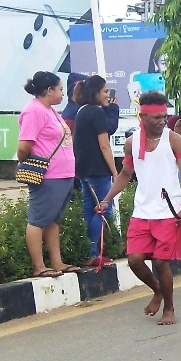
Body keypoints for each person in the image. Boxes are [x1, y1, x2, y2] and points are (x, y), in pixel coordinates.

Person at [98, 91, 181, 325]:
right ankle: (158, 290)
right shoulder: (132, 143)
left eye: (164, 116)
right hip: (142, 211)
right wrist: (107, 198)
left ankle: (169, 308)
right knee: (135, 260)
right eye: (156, 118)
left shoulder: (173, 139)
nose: (162, 121)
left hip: (169, 212)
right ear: (142, 116)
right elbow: (125, 174)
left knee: (161, 262)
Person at [17, 71, 79, 278]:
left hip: (63, 174)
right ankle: (39, 266)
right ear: (49, 90)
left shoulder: (50, 110)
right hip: (48, 175)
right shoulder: (34, 111)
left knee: (52, 220)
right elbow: (24, 145)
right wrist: (26, 161)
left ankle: (57, 262)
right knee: (38, 220)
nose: (63, 93)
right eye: (60, 89)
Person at [72, 75, 120, 267]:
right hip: (98, 170)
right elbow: (104, 146)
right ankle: (93, 252)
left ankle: (87, 251)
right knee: (103, 210)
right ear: (97, 92)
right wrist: (116, 172)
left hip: (83, 169)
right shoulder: (97, 113)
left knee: (88, 210)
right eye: (105, 91)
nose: (108, 95)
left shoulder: (82, 111)